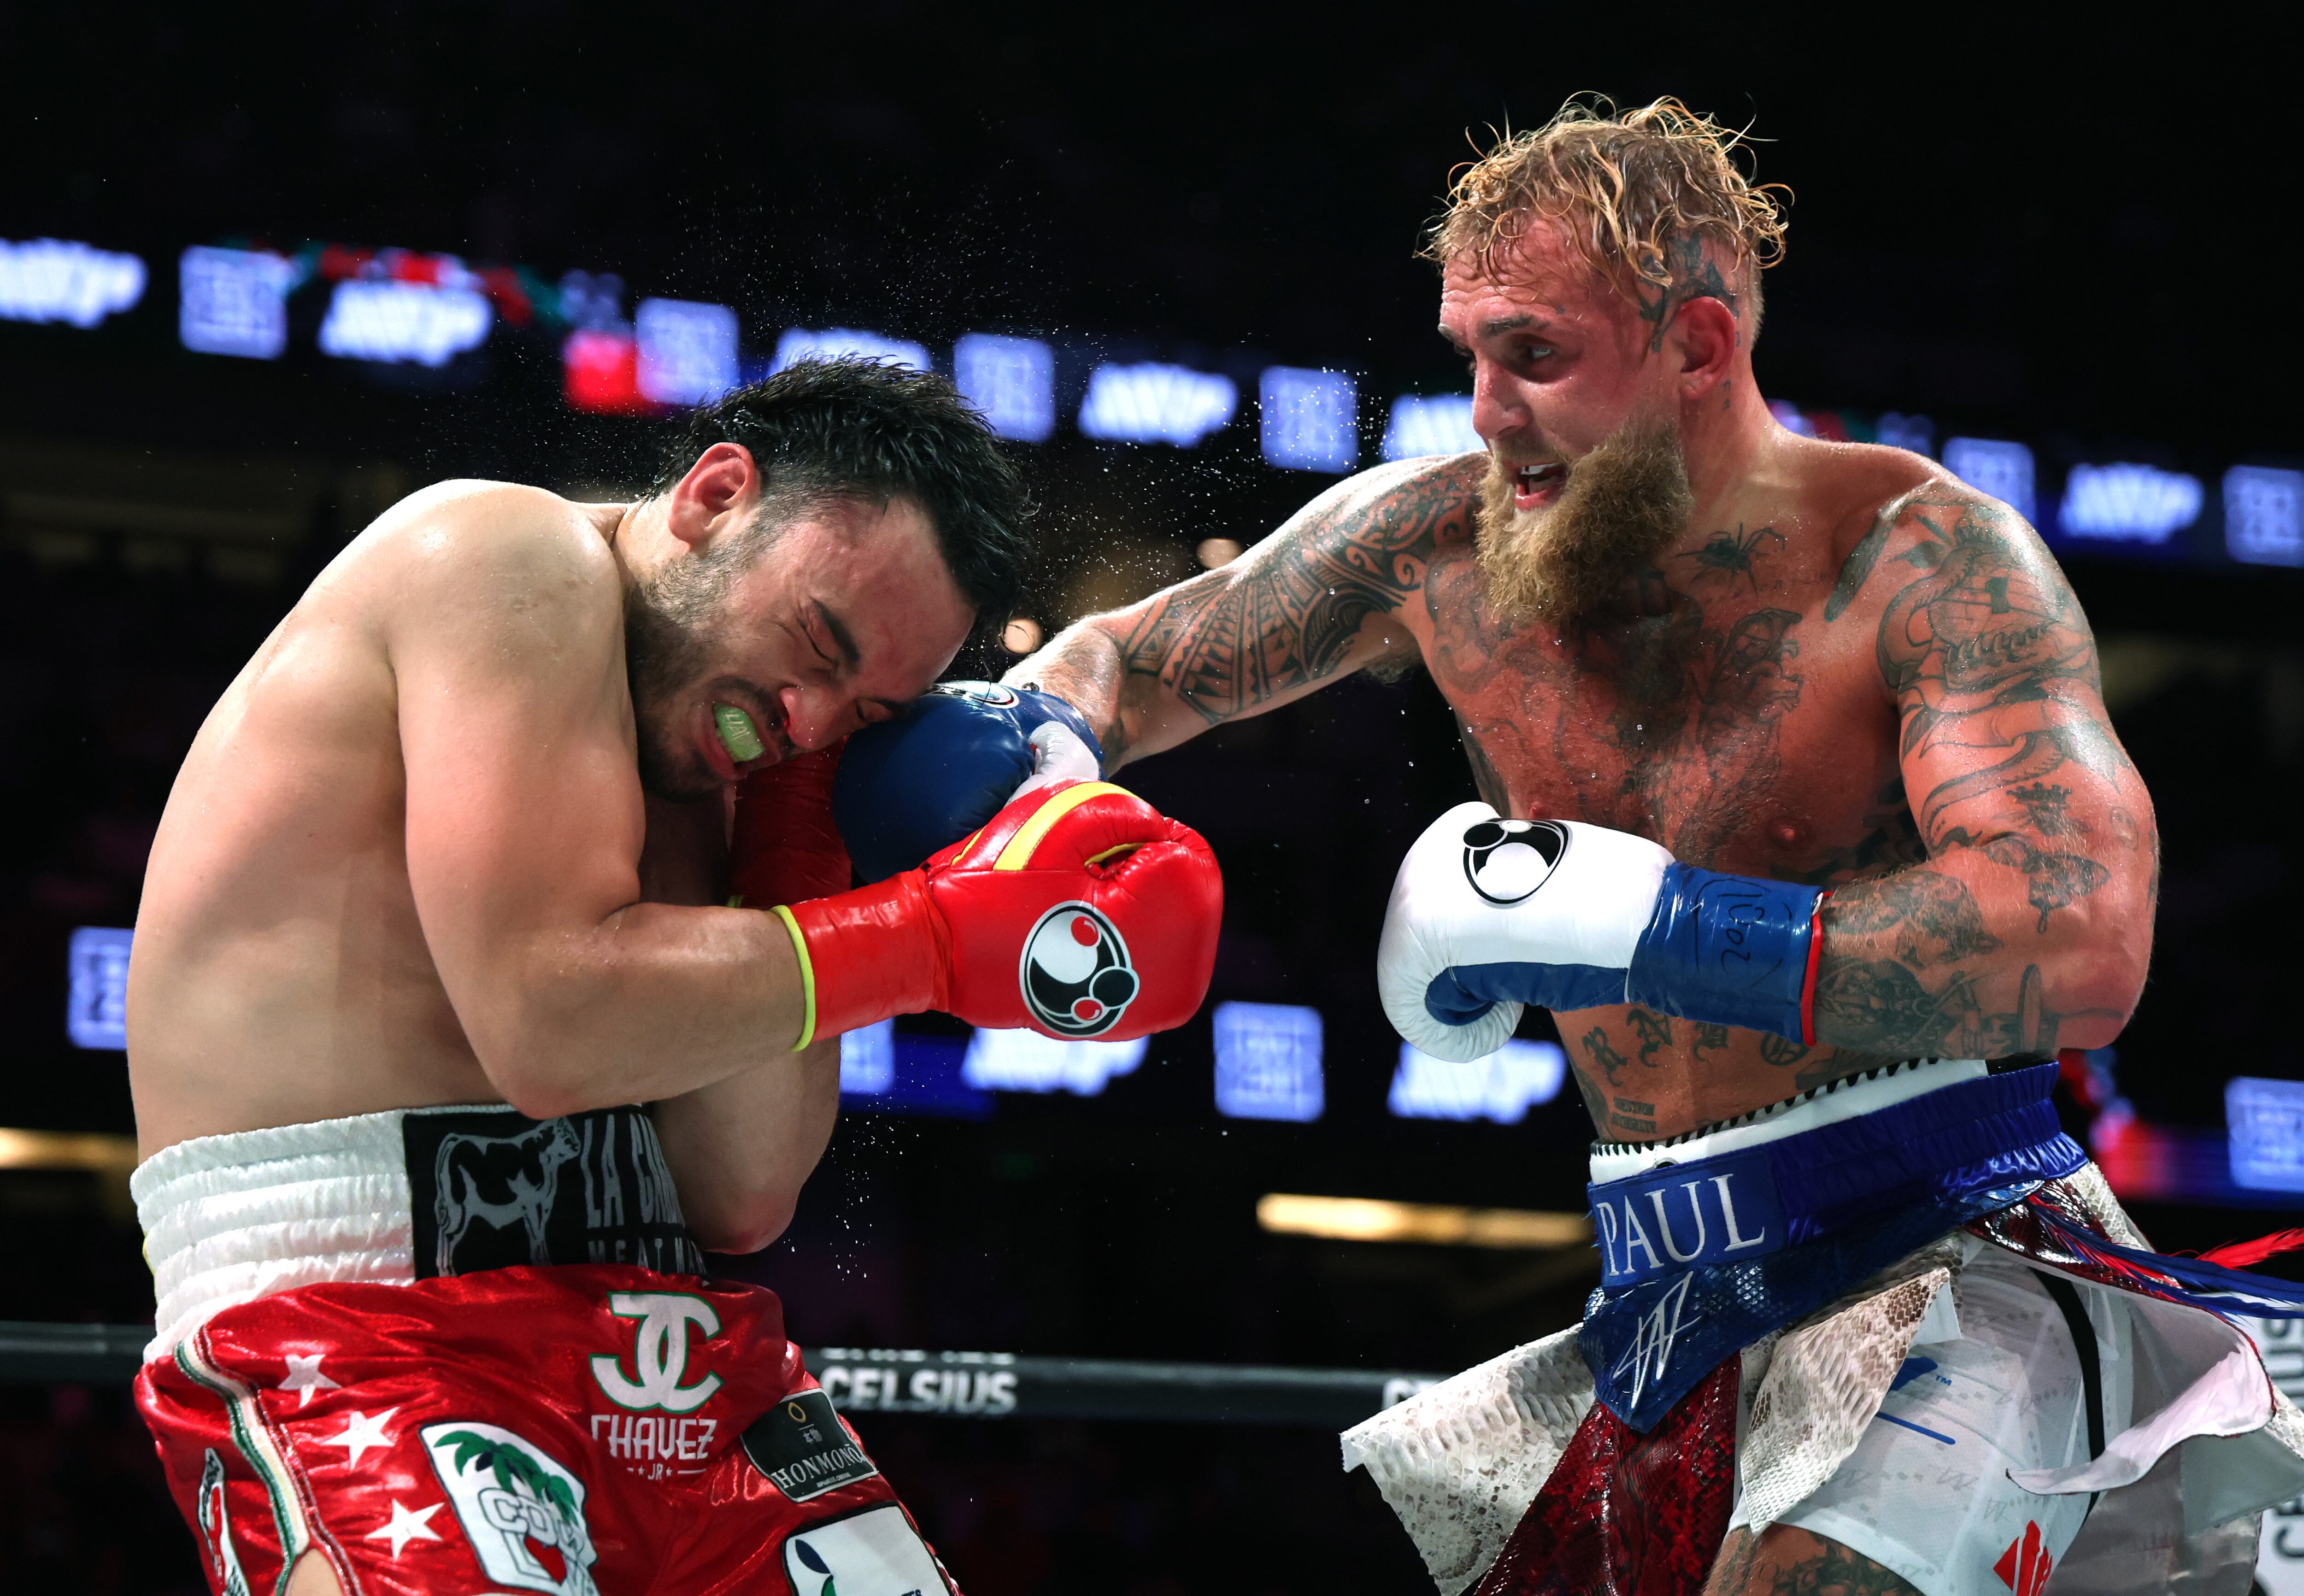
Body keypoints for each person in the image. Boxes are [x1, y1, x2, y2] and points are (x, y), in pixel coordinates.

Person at [937, 100, 2299, 1594]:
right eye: (1471, 354)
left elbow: (2080, 937)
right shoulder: (1435, 547)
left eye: (1535, 356)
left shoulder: (1921, 558)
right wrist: (1044, 771)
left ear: (1700, 349)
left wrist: (1653, 930)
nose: (1486, 409)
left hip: (1950, 1247)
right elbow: (1122, 668)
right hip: (1661, 1284)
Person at [124, 359, 1223, 1596]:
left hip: (662, 1333)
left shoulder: (749, 759)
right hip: (364, 1308)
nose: (805, 717)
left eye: (863, 711)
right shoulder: (498, 553)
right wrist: (927, 934)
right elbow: (551, 1024)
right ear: (714, 494)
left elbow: (741, 1191)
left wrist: (803, 832)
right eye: (818, 638)